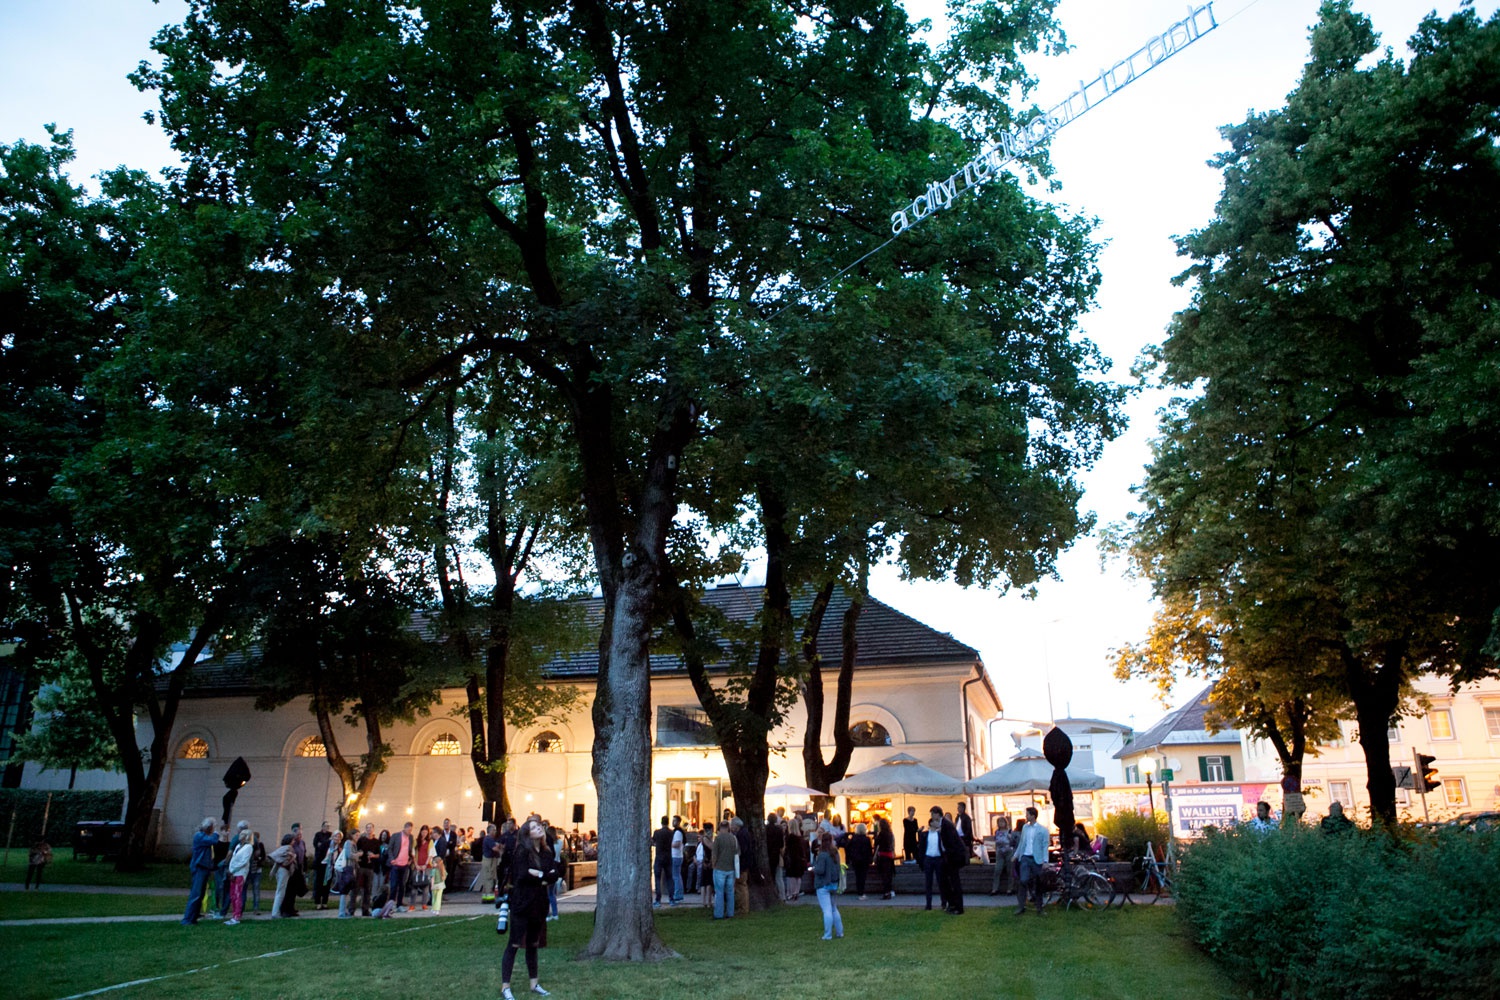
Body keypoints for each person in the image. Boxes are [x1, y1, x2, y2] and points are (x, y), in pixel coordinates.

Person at [499, 817, 561, 1000]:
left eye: (539, 826)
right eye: (534, 827)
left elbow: (555, 873)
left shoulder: (546, 852)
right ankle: (505, 986)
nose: (539, 828)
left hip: (539, 904)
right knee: (514, 944)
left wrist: (539, 875)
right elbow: (523, 875)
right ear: (527, 834)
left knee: (533, 944)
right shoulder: (522, 851)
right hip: (522, 903)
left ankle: (534, 983)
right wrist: (543, 876)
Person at [181, 818, 219, 925]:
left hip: (204, 867)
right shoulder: (199, 836)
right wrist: (216, 834)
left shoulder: (203, 836)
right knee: (196, 893)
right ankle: (188, 919)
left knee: (201, 894)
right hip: (199, 867)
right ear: (209, 827)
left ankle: (194, 916)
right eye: (213, 827)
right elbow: (213, 840)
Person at [930, 806, 966, 915]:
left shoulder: (946, 825)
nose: (932, 816)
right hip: (947, 856)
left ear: (937, 814)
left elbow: (952, 842)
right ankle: (952, 904)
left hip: (953, 856)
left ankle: (958, 907)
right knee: (944, 880)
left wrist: (949, 857)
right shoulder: (942, 825)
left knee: (954, 882)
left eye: (932, 814)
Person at [1015, 806, 1048, 916]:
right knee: (1023, 881)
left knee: (1038, 883)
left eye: (1028, 814)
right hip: (1025, 857)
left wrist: (1045, 861)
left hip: (1036, 859)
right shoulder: (1025, 828)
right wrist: (1016, 855)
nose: (1026, 816)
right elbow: (1022, 843)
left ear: (1033, 816)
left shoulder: (1042, 830)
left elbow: (1045, 846)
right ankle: (1021, 906)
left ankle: (1039, 907)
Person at [813, 832, 844, 940]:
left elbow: (820, 870)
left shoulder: (822, 855)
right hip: (834, 884)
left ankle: (828, 934)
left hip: (823, 884)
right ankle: (840, 932)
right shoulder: (835, 853)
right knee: (834, 908)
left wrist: (814, 868)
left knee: (827, 910)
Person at [711, 818, 740, 919]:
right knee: (730, 892)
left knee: (719, 892)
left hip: (719, 868)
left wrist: (713, 865)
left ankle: (718, 914)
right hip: (731, 868)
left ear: (720, 828)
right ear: (728, 828)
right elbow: (737, 853)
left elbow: (714, 854)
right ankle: (730, 913)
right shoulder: (733, 838)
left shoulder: (718, 839)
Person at [226, 829, 254, 925]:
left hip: (240, 873)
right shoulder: (238, 846)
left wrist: (233, 870)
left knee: (238, 894)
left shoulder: (248, 847)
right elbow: (233, 859)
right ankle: (234, 914)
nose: (239, 835)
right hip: (233, 872)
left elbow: (244, 861)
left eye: (242, 834)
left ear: (246, 837)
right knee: (232, 894)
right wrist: (230, 870)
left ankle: (237, 916)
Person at [269, 832, 299, 918]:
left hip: (279, 870)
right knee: (281, 892)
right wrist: (294, 857)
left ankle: (275, 912)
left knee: (279, 891)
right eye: (293, 840)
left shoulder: (281, 848)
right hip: (284, 871)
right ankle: (275, 913)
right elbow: (286, 862)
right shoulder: (289, 848)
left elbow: (277, 860)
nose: (294, 841)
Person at [354, 822, 379, 916]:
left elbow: (378, 854)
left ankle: (365, 910)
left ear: (373, 829)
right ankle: (351, 909)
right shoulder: (361, 840)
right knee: (356, 888)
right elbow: (356, 850)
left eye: (370, 827)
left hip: (370, 868)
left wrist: (373, 856)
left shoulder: (376, 841)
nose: (369, 829)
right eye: (367, 827)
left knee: (368, 889)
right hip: (361, 867)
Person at [389, 821, 414, 911]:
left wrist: (410, 859)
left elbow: (410, 850)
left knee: (402, 885)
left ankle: (399, 904)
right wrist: (392, 859)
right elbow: (390, 848)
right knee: (394, 885)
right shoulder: (396, 836)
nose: (409, 832)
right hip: (396, 863)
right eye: (408, 830)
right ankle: (391, 904)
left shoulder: (411, 837)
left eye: (411, 830)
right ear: (405, 828)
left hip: (405, 864)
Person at [845, 822, 874, 899]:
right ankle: (861, 892)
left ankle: (859, 892)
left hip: (855, 860)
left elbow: (848, 848)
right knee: (863, 877)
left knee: (858, 876)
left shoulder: (853, 839)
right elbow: (869, 850)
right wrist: (870, 859)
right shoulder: (867, 839)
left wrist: (850, 858)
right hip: (864, 860)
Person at [651, 815, 673, 907]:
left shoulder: (657, 832)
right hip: (668, 856)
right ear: (668, 822)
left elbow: (652, 842)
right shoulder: (671, 833)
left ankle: (658, 899)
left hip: (659, 856)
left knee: (657, 878)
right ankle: (671, 899)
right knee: (669, 878)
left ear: (661, 822)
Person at [782, 821, 806, 902]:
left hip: (791, 859)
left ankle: (790, 893)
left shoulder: (789, 838)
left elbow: (786, 849)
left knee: (790, 877)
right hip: (799, 859)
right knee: (798, 877)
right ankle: (796, 892)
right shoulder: (800, 838)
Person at [990, 816, 1014, 895]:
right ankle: (995, 889)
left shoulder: (1009, 831)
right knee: (997, 870)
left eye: (1002, 822)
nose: (1001, 824)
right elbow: (996, 841)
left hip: (1008, 851)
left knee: (1009, 870)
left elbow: (1012, 841)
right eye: (999, 822)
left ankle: (1010, 889)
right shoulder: (997, 832)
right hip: (1000, 852)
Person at [873, 816, 897, 899]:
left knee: (884, 875)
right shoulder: (890, 834)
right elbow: (892, 844)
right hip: (889, 855)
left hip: (883, 855)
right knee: (889, 875)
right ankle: (889, 891)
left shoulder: (881, 834)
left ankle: (886, 892)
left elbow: (877, 843)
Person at [311, 821, 333, 909]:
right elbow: (317, 845)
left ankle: (324, 902)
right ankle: (317, 901)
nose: (327, 827)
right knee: (318, 882)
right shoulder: (318, 835)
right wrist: (325, 843)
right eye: (325, 826)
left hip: (328, 863)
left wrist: (323, 843)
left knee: (327, 883)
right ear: (322, 826)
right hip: (320, 861)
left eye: (328, 826)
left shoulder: (330, 834)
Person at [246, 830, 267, 914]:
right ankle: (242, 907)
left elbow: (263, 856)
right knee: (246, 888)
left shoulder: (260, 845)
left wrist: (259, 861)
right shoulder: (249, 846)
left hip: (257, 870)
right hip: (249, 870)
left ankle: (256, 907)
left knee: (256, 889)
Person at [696, 822, 715, 907]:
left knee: (706, 882)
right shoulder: (706, 839)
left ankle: (706, 901)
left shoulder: (705, 838)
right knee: (707, 882)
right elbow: (712, 848)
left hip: (707, 861)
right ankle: (706, 901)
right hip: (707, 862)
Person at [765, 814, 784, 891]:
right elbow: (781, 844)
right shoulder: (778, 830)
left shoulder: (765, 829)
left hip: (767, 852)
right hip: (776, 854)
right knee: (776, 874)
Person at [669, 815, 685, 904]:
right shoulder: (676, 831)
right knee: (677, 875)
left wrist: (668, 844)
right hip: (676, 856)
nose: (673, 822)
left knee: (676, 876)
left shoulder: (678, 832)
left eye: (674, 821)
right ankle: (678, 893)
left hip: (676, 856)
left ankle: (677, 894)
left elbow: (677, 844)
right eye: (673, 820)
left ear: (678, 822)